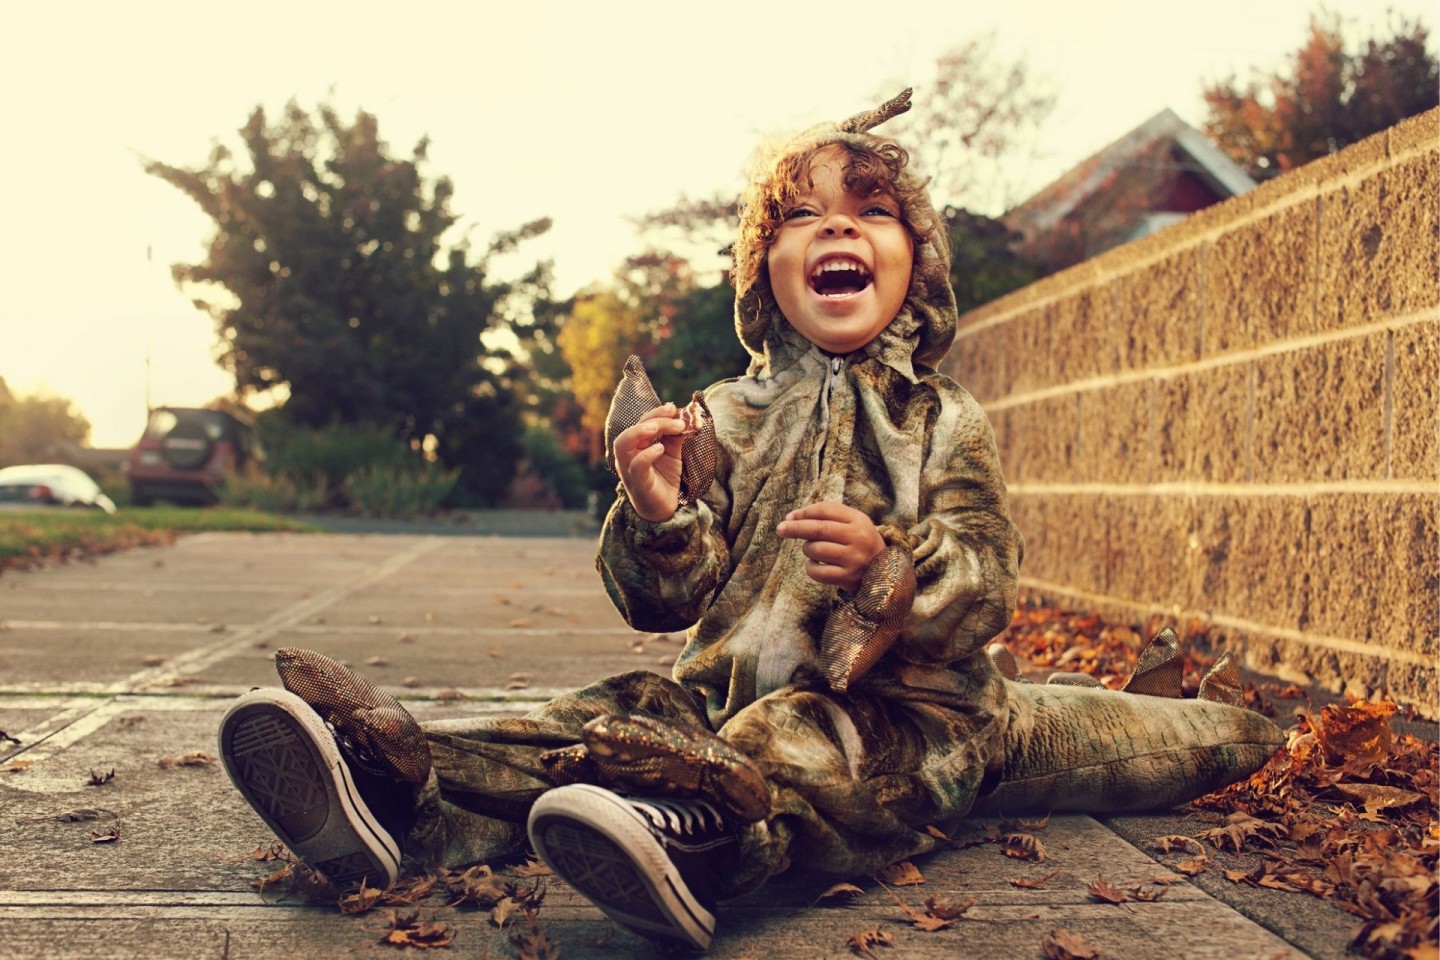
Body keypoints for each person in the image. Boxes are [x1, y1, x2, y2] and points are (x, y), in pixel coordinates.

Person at [219, 90, 1282, 954]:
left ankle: (697, 850)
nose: (836, 226)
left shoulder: (941, 419)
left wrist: (892, 568)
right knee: (598, 717)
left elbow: (989, 587)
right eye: (801, 215)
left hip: (912, 717)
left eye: (869, 210)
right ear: (762, 274)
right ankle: (400, 793)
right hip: (709, 697)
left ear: (918, 260)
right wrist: (656, 512)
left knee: (791, 742)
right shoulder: (721, 416)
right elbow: (658, 602)